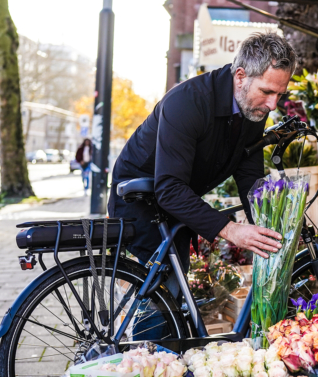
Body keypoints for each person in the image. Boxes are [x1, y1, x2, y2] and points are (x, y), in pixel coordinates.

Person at [108, 32, 296, 294]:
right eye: (266, 91)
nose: (273, 105)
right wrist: (230, 230)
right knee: (167, 291)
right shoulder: (187, 102)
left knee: (176, 292)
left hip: (176, 193)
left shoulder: (253, 106)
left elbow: (250, 181)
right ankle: (148, 335)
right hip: (140, 196)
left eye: (280, 94)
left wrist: (274, 229)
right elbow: (169, 188)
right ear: (240, 76)